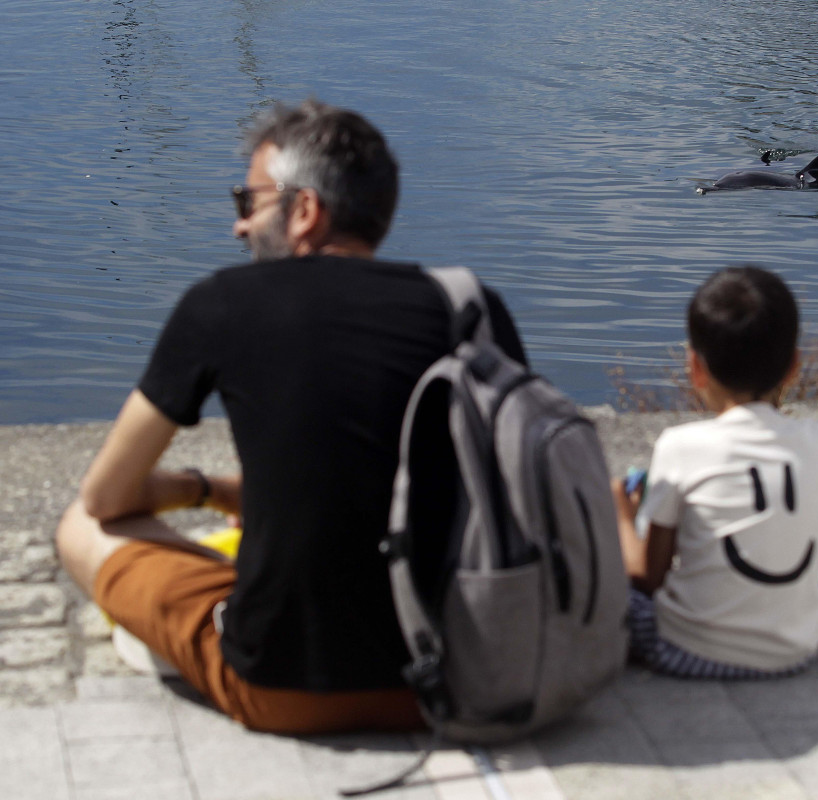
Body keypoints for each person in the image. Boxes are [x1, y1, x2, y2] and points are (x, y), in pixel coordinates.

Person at [55, 100, 527, 734]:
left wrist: (193, 488)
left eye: (247, 202)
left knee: (81, 527)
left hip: (290, 687)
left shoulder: (221, 303)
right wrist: (228, 493)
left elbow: (105, 496)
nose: (239, 227)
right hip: (474, 672)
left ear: (304, 211)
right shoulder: (472, 305)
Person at [611, 265, 818, 679]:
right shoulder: (813, 438)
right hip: (797, 646)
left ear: (694, 367)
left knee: (612, 593)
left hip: (688, 651)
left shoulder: (680, 446)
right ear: (794, 367)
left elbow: (648, 578)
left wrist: (621, 517)